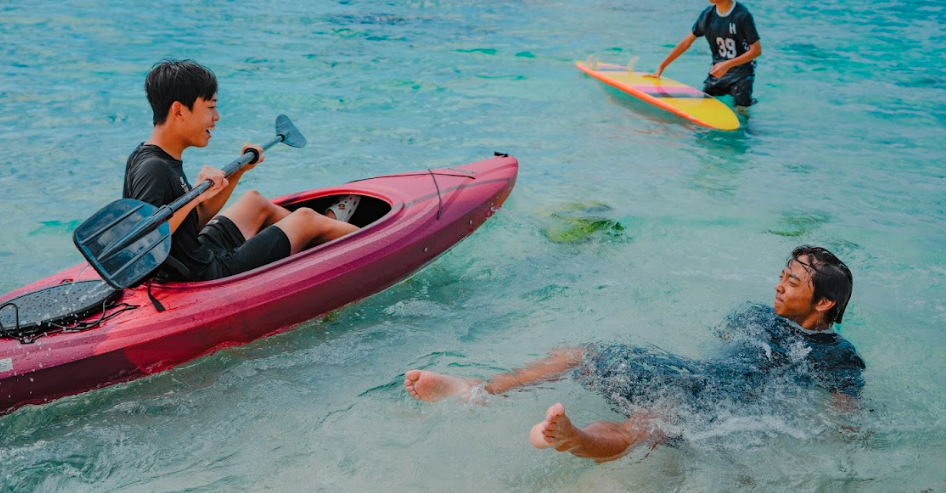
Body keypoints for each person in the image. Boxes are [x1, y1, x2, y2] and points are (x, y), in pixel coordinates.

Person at [404, 245, 864, 463]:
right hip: (688, 373)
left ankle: (577, 438)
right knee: (582, 352)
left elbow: (847, 415)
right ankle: (478, 390)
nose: (778, 285)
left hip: (722, 405)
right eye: (782, 274)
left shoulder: (838, 356)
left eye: (792, 282)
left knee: (649, 422)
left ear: (823, 302)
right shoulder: (754, 314)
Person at [123, 59, 360, 282]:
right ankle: (374, 241)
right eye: (210, 107)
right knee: (305, 219)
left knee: (254, 201)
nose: (216, 117)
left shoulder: (149, 155)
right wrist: (195, 194)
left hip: (196, 254)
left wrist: (238, 172)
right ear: (179, 111)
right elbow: (145, 244)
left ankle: (327, 238)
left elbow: (189, 224)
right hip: (201, 276)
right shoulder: (154, 169)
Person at [649, 0, 762, 109]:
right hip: (717, 73)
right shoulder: (707, 16)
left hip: (741, 75)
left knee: (741, 114)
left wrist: (728, 64)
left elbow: (756, 50)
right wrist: (661, 67)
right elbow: (686, 42)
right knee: (704, 107)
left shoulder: (742, 16)